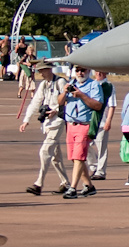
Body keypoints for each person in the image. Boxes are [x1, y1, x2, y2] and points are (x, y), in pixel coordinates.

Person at [19, 62, 71, 195]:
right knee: (55, 157)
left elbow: (68, 100)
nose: (41, 73)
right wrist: (26, 120)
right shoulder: (43, 84)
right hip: (47, 124)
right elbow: (35, 102)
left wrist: (56, 110)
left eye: (42, 70)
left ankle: (39, 184)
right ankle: (65, 183)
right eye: (39, 71)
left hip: (57, 122)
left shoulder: (60, 82)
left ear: (49, 69)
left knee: (44, 151)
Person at [59, 65, 105, 198]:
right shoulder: (71, 83)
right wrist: (65, 92)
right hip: (70, 124)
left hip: (84, 124)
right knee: (75, 158)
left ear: (88, 71)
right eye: (77, 70)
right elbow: (60, 102)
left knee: (79, 157)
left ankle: (72, 188)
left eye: (82, 70)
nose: (79, 73)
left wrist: (81, 95)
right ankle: (89, 186)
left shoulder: (94, 85)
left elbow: (98, 105)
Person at [87, 70, 116, 180]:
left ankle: (101, 171)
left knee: (101, 148)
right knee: (87, 145)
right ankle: (93, 165)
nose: (98, 74)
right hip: (90, 120)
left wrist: (109, 120)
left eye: (101, 72)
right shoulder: (91, 84)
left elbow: (112, 105)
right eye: (97, 71)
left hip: (102, 121)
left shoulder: (109, 86)